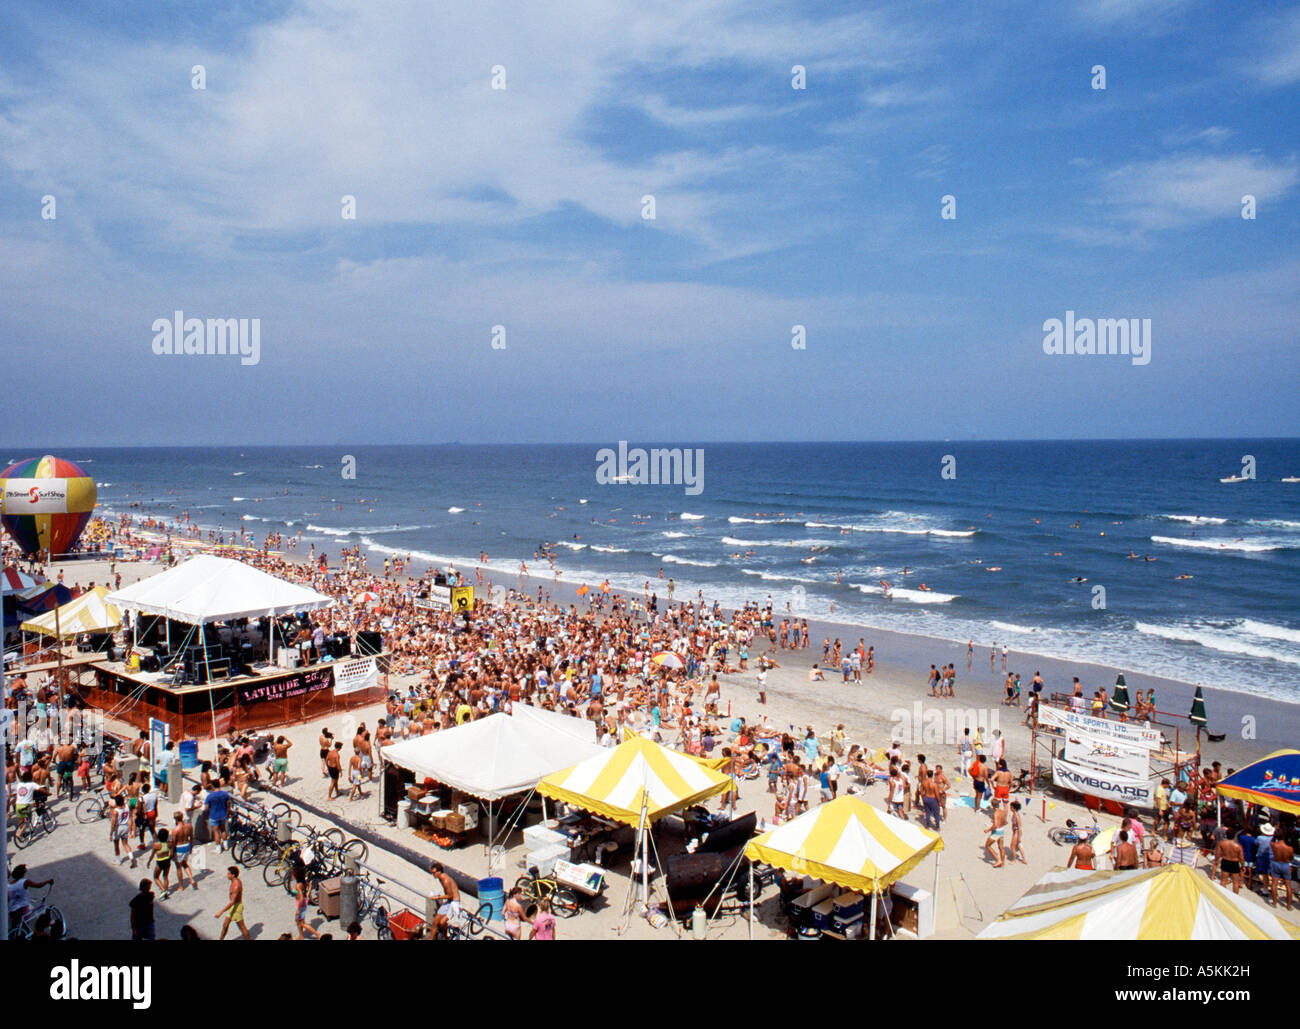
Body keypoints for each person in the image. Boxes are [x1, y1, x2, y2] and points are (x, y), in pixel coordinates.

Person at [8, 865, 53, 929]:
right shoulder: (25, 882)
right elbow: (38, 885)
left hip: (13, 909)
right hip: (23, 908)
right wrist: (47, 882)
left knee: (14, 927)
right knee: (25, 926)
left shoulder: (8, 885)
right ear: (22, 874)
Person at [215, 866, 250, 940]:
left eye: (228, 874)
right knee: (225, 924)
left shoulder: (236, 886)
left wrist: (220, 912)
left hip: (236, 908)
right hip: (233, 906)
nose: (227, 875)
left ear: (233, 875)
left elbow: (232, 902)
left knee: (242, 928)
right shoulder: (235, 881)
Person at [429, 861, 461, 938]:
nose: (432, 874)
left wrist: (437, 897)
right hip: (449, 901)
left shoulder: (445, 880)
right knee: (435, 922)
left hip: (454, 902)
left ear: (439, 871)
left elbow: (450, 895)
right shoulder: (441, 877)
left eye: (433, 872)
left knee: (442, 922)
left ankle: (444, 937)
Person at [171, 812, 197, 893]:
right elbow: (192, 838)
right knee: (185, 864)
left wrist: (171, 853)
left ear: (175, 819)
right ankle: (191, 879)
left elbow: (173, 843)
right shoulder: (189, 826)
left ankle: (181, 886)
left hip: (179, 848)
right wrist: (191, 847)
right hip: (187, 845)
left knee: (179, 868)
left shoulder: (175, 830)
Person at [293, 866, 319, 939]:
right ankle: (301, 936)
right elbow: (310, 885)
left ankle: (317, 934)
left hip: (300, 905)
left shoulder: (298, 885)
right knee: (299, 921)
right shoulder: (304, 882)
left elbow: (301, 898)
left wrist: (298, 910)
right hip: (303, 903)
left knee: (302, 923)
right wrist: (307, 895)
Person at [1215, 829, 1244, 894]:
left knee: (1223, 880)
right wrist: (1243, 865)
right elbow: (1241, 857)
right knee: (1235, 882)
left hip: (1225, 861)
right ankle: (1235, 897)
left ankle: (1222, 896)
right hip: (1234, 863)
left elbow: (1218, 854)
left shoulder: (1222, 843)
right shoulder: (1238, 846)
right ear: (1234, 836)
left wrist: (1216, 861)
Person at [147, 827, 174, 898]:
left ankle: (163, 891)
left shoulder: (156, 845)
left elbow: (152, 855)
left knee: (156, 877)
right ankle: (166, 890)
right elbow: (171, 854)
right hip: (167, 861)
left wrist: (149, 862)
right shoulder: (170, 844)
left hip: (160, 861)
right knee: (165, 877)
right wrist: (169, 859)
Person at [205, 780, 231, 851]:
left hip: (214, 815)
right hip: (223, 814)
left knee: (216, 832)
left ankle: (218, 848)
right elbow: (228, 804)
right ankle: (226, 845)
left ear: (213, 786)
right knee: (223, 829)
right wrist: (228, 812)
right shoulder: (225, 794)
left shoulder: (210, 796)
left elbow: (206, 808)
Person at [983, 800, 1007, 867]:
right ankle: (1003, 862)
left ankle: (998, 860)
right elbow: (1005, 822)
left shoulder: (996, 813)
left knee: (987, 845)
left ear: (992, 805)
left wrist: (987, 830)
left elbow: (995, 825)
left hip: (997, 832)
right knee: (1001, 847)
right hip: (1002, 830)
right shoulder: (1003, 812)